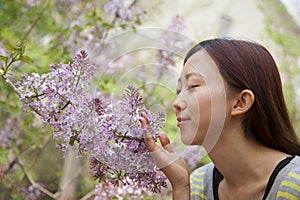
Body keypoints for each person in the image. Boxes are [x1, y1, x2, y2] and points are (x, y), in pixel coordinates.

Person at [140, 38, 300, 200]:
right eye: (178, 90)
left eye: (193, 86)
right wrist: (181, 188)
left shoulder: (294, 183)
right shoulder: (199, 184)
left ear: (240, 102)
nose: (177, 103)